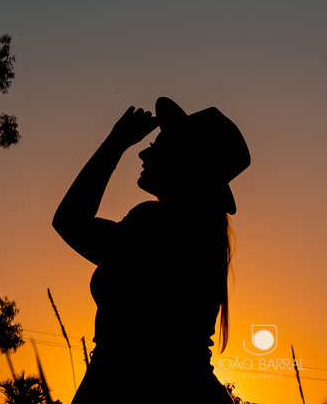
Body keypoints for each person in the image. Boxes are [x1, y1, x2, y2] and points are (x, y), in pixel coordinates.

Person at [53, 97, 250, 403]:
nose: (144, 151)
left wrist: (116, 142)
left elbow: (70, 221)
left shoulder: (151, 224)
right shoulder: (198, 239)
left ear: (184, 161)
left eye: (159, 145)